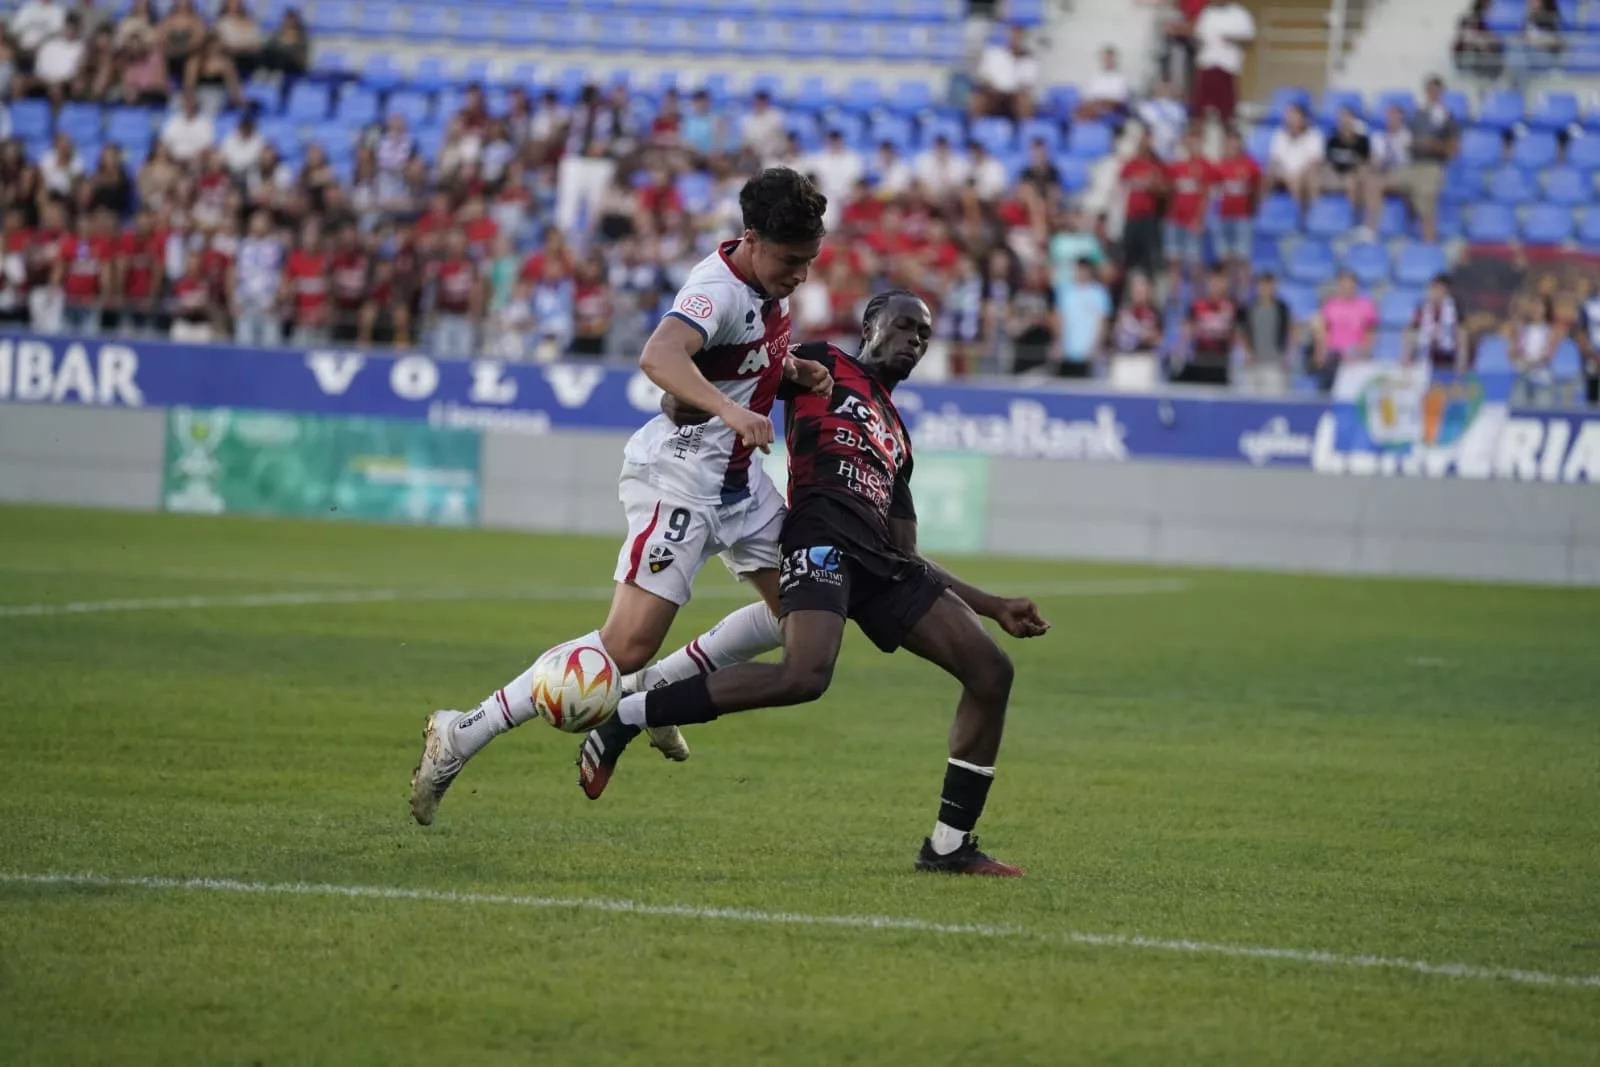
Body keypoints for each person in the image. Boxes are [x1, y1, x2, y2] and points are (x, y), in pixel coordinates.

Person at [409, 168, 834, 826]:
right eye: (791, 260)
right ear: (752, 239)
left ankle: (655, 698)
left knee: (805, 620)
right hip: (683, 480)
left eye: (810, 261)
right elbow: (659, 357)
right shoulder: (714, 289)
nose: (801, 274)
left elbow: (738, 362)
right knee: (624, 646)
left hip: (740, 484)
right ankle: (460, 732)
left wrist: (791, 375)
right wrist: (731, 412)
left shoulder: (763, 288)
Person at [577, 291, 1051, 875]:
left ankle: (950, 845)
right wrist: (685, 402)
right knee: (805, 676)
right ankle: (629, 715)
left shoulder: (898, 439)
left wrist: (993, 604)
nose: (914, 341)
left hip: (881, 560)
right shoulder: (822, 363)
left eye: (924, 336)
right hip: (818, 534)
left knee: (991, 670)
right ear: (870, 325)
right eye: (904, 327)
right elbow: (726, 383)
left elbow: (907, 552)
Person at [1211, 128, 1261, 296]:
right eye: (1230, 142)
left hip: (1243, 218)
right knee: (1225, 258)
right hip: (1224, 217)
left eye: (1235, 142)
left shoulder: (1250, 165)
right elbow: (1215, 190)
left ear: (1241, 144)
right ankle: (1225, 294)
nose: (1232, 145)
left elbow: (1258, 187)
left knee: (1242, 258)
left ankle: (1242, 294)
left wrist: (1255, 207)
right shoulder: (1221, 166)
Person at [1311, 269, 1377, 392]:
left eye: (1350, 285)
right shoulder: (1330, 305)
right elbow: (1322, 330)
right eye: (1344, 285)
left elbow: (1370, 332)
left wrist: (1365, 351)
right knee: (1329, 391)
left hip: (1356, 357)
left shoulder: (1366, 306)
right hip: (1333, 356)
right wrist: (1320, 352)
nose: (1347, 289)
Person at [1164, 126, 1214, 289]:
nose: (1192, 143)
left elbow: (1206, 196)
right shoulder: (1177, 166)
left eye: (1196, 139)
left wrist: (1199, 219)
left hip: (1193, 221)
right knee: (1174, 260)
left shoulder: (1205, 166)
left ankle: (1197, 295)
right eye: (1189, 139)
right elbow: (1169, 192)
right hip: (1175, 220)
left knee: (1195, 262)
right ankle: (1175, 295)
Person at [1191, 0, 1255, 124]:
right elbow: (1197, 35)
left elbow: (1249, 41)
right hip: (1206, 65)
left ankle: (1227, 138)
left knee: (1226, 113)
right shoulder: (1207, 13)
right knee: (1201, 111)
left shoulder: (1240, 14)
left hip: (1227, 66)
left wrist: (1232, 38)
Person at [1119, 129, 1167, 284]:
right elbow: (1121, 186)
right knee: (1128, 258)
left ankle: (1150, 294)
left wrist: (1153, 186)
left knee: (1151, 259)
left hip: (1149, 218)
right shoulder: (1131, 165)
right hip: (1132, 217)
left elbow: (1165, 190)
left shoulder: (1157, 165)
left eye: (1148, 140)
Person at [1235, 272, 1294, 395]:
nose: (1266, 289)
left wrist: (1286, 354)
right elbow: (1241, 331)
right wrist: (1247, 351)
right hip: (1254, 363)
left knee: (1275, 399)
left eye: (1269, 285)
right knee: (1250, 401)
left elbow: (1289, 330)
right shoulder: (1249, 308)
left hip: (1275, 363)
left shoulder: (1282, 309)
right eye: (1262, 285)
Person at [1178, 266, 1238, 386]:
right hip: (1199, 362)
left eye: (1219, 280)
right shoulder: (1197, 305)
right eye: (1212, 281)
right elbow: (1186, 331)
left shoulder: (1233, 307)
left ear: (1226, 283)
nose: (1215, 285)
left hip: (1221, 365)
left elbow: (1237, 336)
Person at [1324, 106, 1378, 240]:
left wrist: (1356, 173)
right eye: (1342, 119)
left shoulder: (1363, 141)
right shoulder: (1332, 141)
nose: (1344, 122)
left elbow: (1367, 163)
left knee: (1353, 182)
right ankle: (1310, 220)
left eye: (1348, 119)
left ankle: (1356, 222)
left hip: (1355, 177)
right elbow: (1327, 164)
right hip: (1335, 176)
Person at [1267, 103, 1325, 215]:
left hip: (1304, 173)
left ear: (1303, 119)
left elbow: (1315, 161)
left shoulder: (1314, 135)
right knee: (1265, 176)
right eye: (1289, 117)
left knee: (1301, 179)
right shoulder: (1279, 135)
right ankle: (1263, 214)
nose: (1291, 120)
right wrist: (1284, 173)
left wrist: (1298, 174)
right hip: (1283, 173)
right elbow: (1274, 160)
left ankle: (1303, 216)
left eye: (1295, 117)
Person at [1058, 256, 1111, 377]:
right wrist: (1060, 343)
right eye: (1078, 269)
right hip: (1068, 353)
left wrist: (1095, 346)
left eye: (1084, 270)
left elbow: (1102, 323)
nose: (1080, 273)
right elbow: (1061, 320)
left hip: (1089, 354)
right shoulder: (1066, 292)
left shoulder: (1100, 293)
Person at [1402, 274, 1465, 371]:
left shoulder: (1455, 310)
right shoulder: (1422, 309)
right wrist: (1406, 358)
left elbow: (1462, 336)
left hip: (1447, 357)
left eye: (1439, 289)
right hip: (1425, 355)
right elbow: (1410, 331)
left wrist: (1460, 364)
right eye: (1433, 289)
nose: (1434, 293)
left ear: (1446, 291)